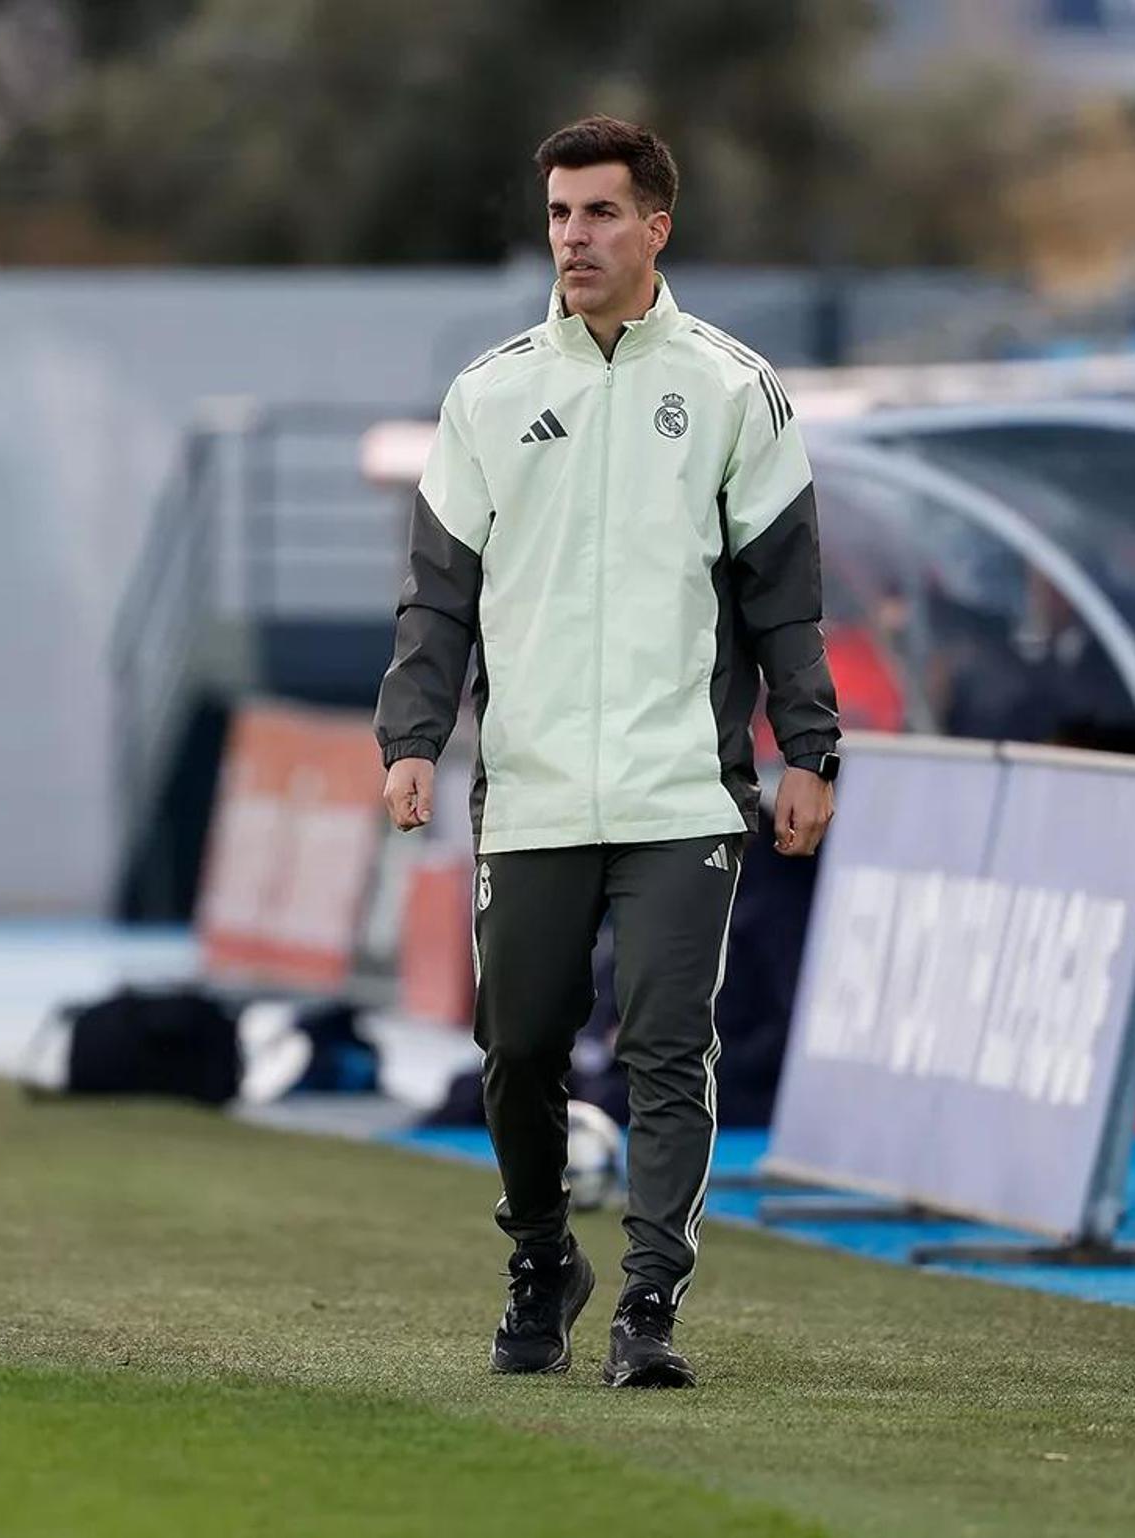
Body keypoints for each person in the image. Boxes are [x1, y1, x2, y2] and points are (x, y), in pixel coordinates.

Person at [374, 115, 841, 1388]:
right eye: (561, 215)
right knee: (518, 1043)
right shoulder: (488, 394)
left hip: (681, 786)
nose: (574, 237)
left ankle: (649, 1304)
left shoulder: (736, 389)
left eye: (599, 213)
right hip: (527, 794)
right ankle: (541, 1256)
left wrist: (811, 749)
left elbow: (782, 602)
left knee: (663, 1045)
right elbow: (438, 601)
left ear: (657, 226)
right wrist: (412, 737)